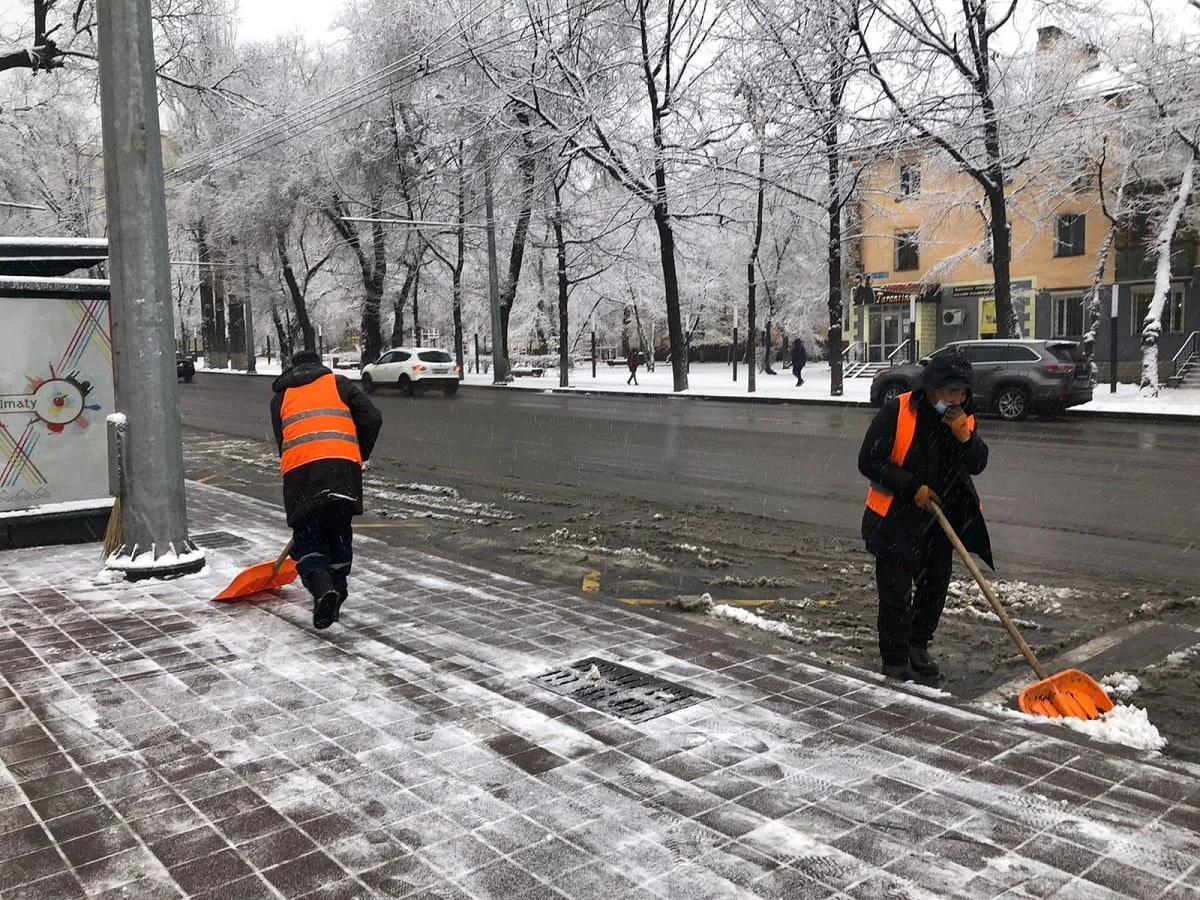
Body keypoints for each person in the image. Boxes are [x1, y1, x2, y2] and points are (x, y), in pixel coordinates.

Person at [857, 349, 992, 682]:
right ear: (931, 388)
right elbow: (869, 461)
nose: (957, 398)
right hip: (894, 519)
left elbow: (977, 464)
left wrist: (966, 438)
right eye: (950, 392)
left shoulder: (962, 416)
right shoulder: (898, 410)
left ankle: (918, 645)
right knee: (896, 595)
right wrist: (912, 488)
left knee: (934, 590)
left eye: (962, 392)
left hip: (939, 521)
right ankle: (894, 659)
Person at [270, 349, 382, 630]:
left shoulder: (280, 399)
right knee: (339, 535)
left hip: (302, 478)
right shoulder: (340, 384)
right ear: (320, 366)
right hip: (342, 471)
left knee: (309, 541)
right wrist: (359, 453)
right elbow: (372, 417)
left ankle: (323, 590)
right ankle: (336, 592)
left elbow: (282, 441)